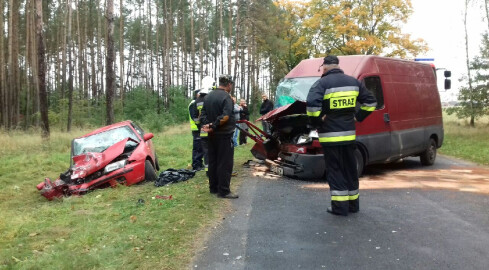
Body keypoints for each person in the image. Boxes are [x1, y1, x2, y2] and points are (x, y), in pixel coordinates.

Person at [306, 55, 376, 216]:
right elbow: (371, 102)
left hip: (330, 136)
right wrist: (357, 116)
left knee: (335, 170)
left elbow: (312, 107)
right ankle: (353, 205)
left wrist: (318, 122)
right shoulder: (353, 82)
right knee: (350, 169)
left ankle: (339, 207)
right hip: (349, 135)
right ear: (338, 65)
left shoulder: (321, 83)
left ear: (324, 67)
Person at [201, 74, 239, 199]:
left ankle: (213, 187)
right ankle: (224, 191)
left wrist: (208, 125)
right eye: (231, 85)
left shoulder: (208, 97)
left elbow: (203, 115)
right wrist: (214, 125)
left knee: (213, 161)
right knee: (225, 163)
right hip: (224, 135)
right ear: (229, 84)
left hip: (211, 135)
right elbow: (225, 116)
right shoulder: (226, 97)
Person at [188, 90, 204, 171]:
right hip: (196, 129)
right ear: (197, 94)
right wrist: (199, 124)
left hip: (199, 128)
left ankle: (200, 163)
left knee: (201, 147)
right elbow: (194, 117)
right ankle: (196, 165)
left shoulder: (197, 103)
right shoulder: (193, 103)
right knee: (197, 147)